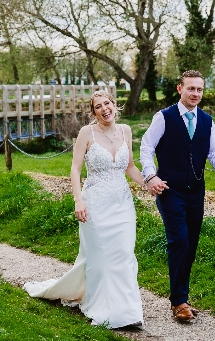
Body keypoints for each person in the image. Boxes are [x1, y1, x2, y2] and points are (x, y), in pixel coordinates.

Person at [24, 90, 145, 328]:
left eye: (107, 103)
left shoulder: (126, 131)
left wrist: (150, 183)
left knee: (124, 255)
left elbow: (130, 167)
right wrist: (78, 201)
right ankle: (104, 308)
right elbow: (75, 169)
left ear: (114, 105)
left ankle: (128, 313)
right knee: (101, 258)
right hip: (95, 204)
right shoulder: (86, 133)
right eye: (98, 106)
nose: (104, 109)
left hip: (122, 203)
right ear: (94, 112)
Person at [140, 70, 215, 323]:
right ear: (180, 89)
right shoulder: (164, 117)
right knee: (179, 240)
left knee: (190, 244)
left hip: (196, 191)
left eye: (199, 90)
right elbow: (146, 148)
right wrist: (150, 176)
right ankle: (178, 302)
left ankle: (181, 297)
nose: (195, 94)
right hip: (169, 189)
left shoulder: (206, 121)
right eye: (191, 89)